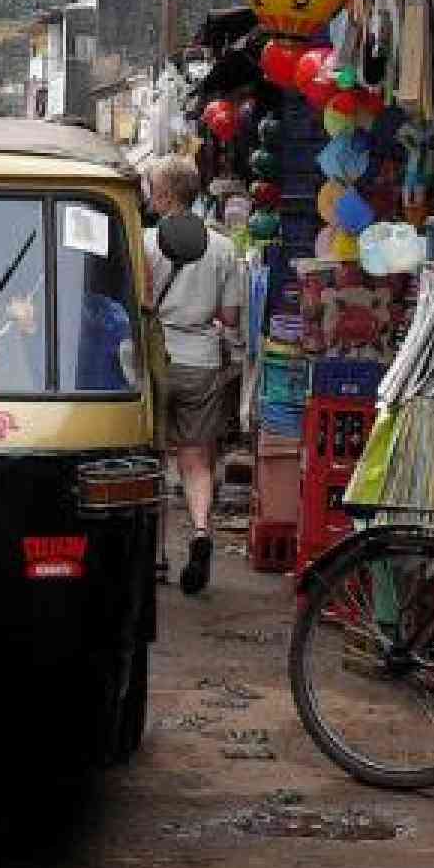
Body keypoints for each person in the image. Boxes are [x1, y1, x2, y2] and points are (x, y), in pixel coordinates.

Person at [141, 153, 245, 596]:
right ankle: (201, 531)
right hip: (202, 358)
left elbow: (140, 302)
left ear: (163, 195)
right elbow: (230, 316)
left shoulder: (144, 242)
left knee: (152, 459)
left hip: (155, 358)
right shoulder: (223, 247)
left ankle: (157, 556)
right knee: (196, 458)